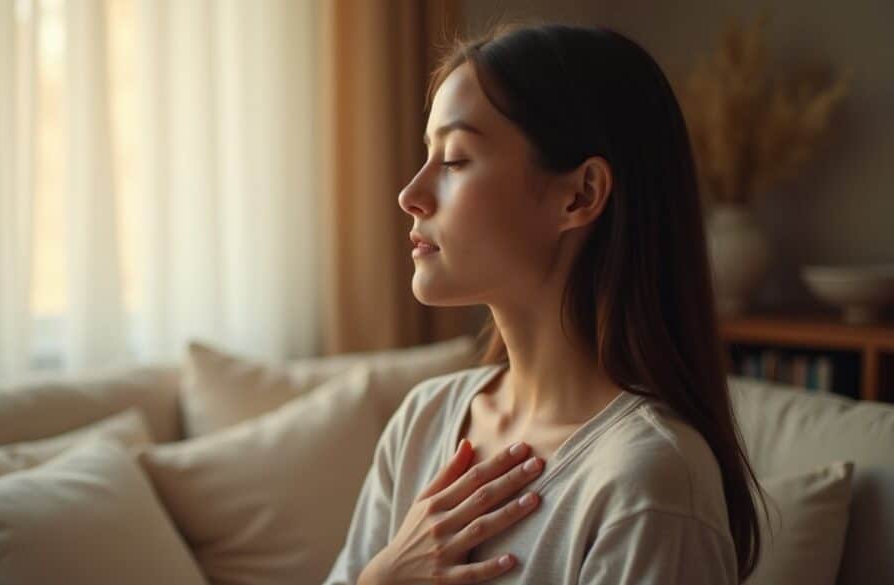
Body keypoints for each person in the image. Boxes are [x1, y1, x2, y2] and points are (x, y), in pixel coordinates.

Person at [323, 21, 766, 585]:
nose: (411, 195)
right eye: (428, 155)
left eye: (455, 160)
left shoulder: (649, 486)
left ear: (580, 194)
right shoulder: (423, 422)